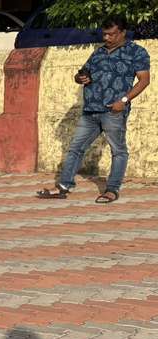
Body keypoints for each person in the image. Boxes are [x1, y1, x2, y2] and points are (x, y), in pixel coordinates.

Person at [37, 15, 150, 203]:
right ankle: (64, 186)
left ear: (123, 33)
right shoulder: (98, 52)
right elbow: (81, 74)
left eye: (111, 35)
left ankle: (112, 190)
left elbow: (144, 80)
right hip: (90, 111)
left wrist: (123, 100)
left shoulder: (136, 52)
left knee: (118, 151)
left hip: (113, 111)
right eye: (104, 34)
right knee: (75, 148)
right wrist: (81, 78)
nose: (106, 38)